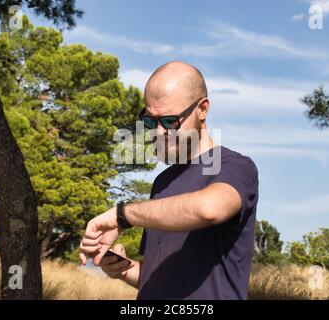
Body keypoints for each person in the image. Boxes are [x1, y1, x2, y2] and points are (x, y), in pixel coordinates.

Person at [79, 61, 259, 300]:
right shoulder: (162, 182)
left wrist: (122, 215)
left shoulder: (236, 167)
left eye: (170, 121)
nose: (159, 132)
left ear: (202, 108)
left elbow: (209, 209)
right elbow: (161, 276)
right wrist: (124, 269)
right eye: (151, 121)